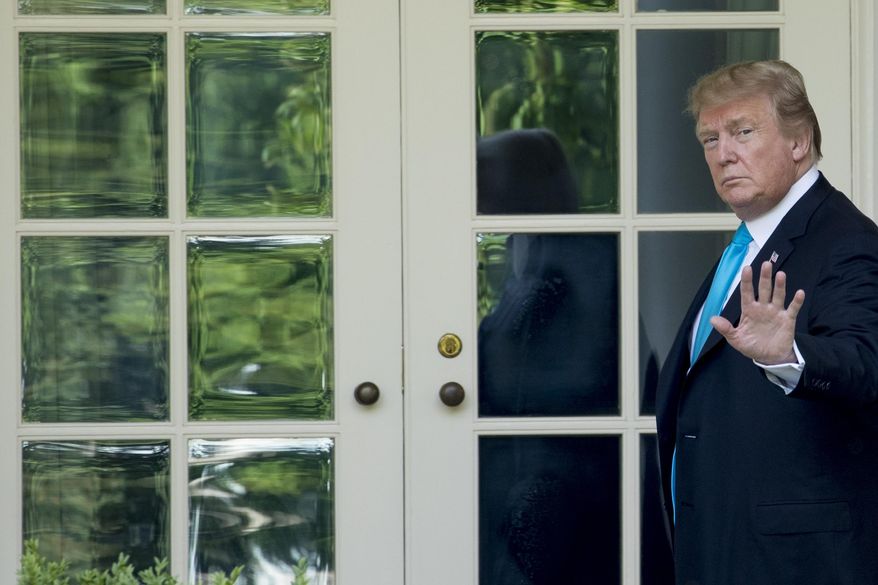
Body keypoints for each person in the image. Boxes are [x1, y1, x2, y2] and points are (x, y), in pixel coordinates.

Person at [655, 60, 878, 585]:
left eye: (743, 132)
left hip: (795, 559)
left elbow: (867, 363)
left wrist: (789, 357)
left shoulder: (847, 241)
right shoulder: (750, 242)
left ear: (798, 143)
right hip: (726, 539)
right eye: (709, 138)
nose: (723, 153)